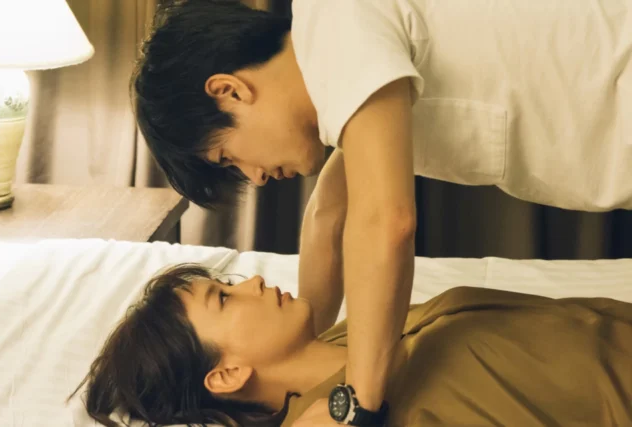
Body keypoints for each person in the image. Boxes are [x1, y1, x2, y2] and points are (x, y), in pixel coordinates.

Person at [130, 1, 632, 424]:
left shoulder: (339, 23)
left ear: (230, 91)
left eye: (228, 157)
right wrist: (307, 344)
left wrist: (355, 409)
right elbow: (329, 215)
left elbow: (386, 223)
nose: (255, 177)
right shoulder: (346, 87)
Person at [73, 263, 632, 427]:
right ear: (225, 375)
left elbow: (332, 212)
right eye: (224, 298)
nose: (253, 282)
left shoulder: (344, 339)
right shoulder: (330, 417)